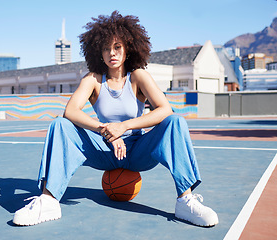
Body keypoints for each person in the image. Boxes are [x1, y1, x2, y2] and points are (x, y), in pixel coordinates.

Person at [13, 11, 218, 227]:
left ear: (128, 48)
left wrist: (124, 126)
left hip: (138, 152)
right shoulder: (93, 80)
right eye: (105, 48)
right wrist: (108, 131)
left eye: (117, 47)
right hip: (104, 151)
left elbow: (164, 109)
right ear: (97, 52)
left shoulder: (138, 76)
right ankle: (49, 200)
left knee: (176, 122)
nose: (112, 53)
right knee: (60, 125)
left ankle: (185, 200)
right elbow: (71, 111)